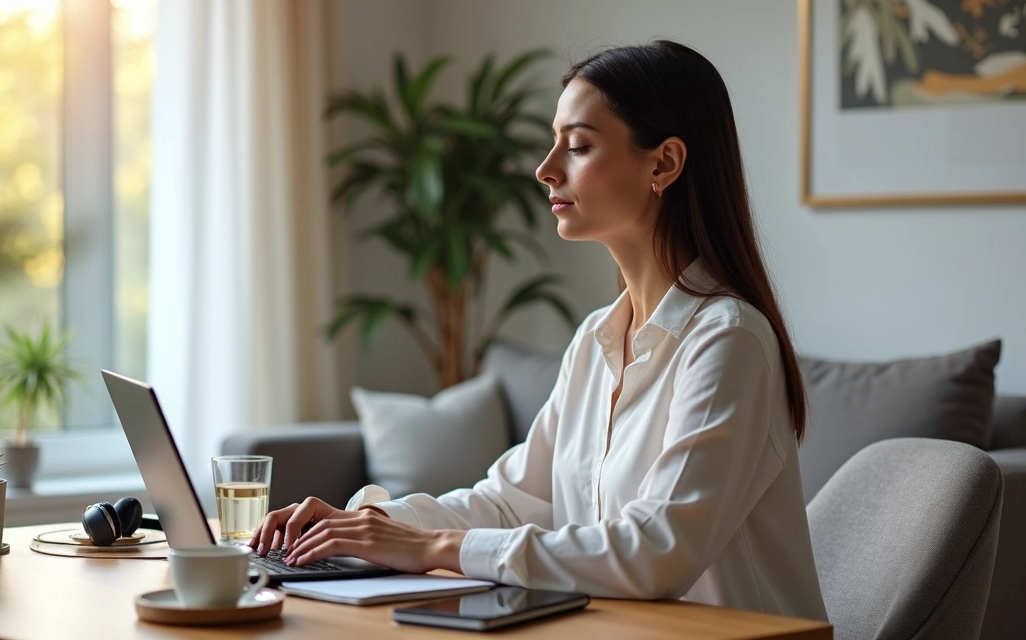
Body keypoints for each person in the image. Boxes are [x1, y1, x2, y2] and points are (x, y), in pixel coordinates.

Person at [250, 40, 828, 622]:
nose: (545, 168)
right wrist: (372, 525)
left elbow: (659, 551)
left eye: (578, 146)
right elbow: (512, 502)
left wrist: (432, 547)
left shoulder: (728, 341)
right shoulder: (597, 339)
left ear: (664, 163)